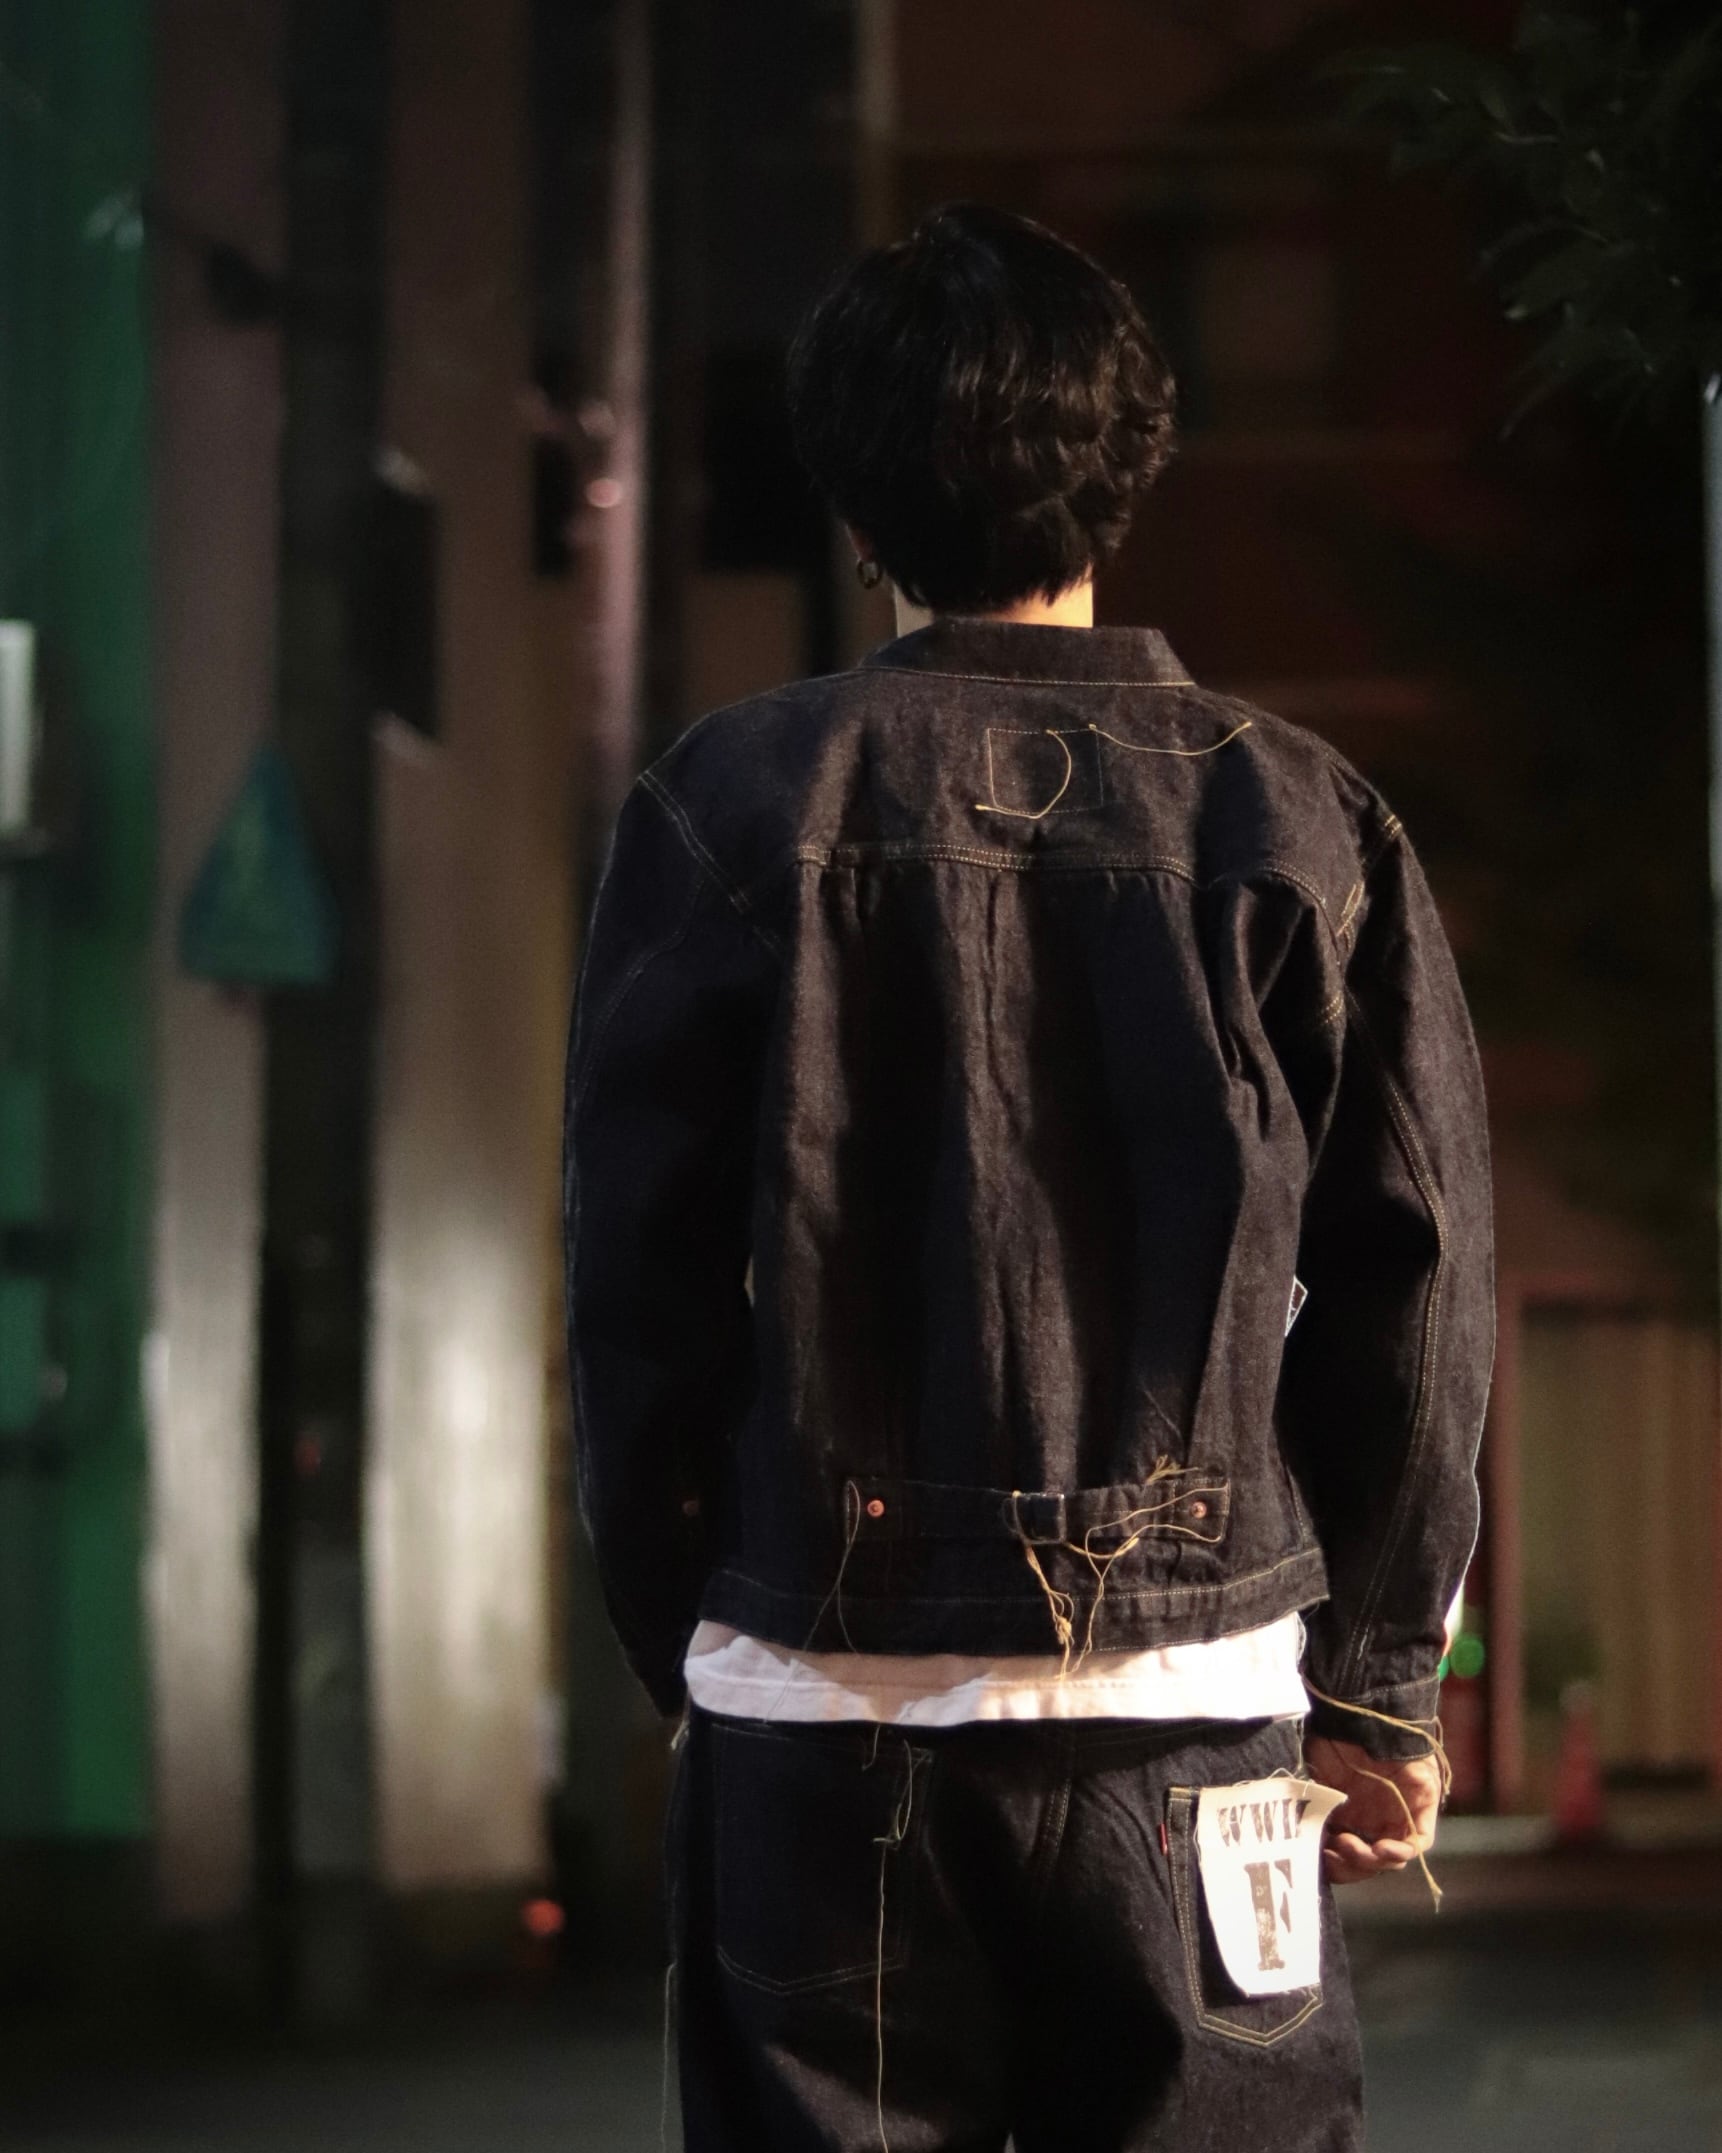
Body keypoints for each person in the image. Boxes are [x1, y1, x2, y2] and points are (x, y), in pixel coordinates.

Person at [563, 202, 1493, 2152]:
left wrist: (701, 1633)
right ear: (1130, 468)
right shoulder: (1298, 819)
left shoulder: (728, 808)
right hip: (1199, 1712)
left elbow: (634, 1293)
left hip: (821, 1712)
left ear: (857, 508)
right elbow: (1414, 1286)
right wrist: (1376, 1690)